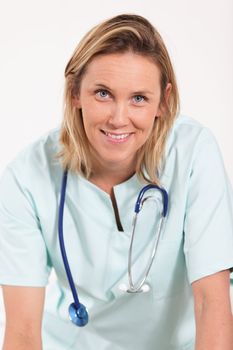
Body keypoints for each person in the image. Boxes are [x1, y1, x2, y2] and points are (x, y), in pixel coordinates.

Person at [0, 13, 233, 350]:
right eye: (103, 93)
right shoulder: (26, 178)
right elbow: (22, 331)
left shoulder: (194, 153)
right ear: (75, 91)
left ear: (163, 102)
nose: (119, 118)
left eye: (139, 98)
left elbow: (211, 303)